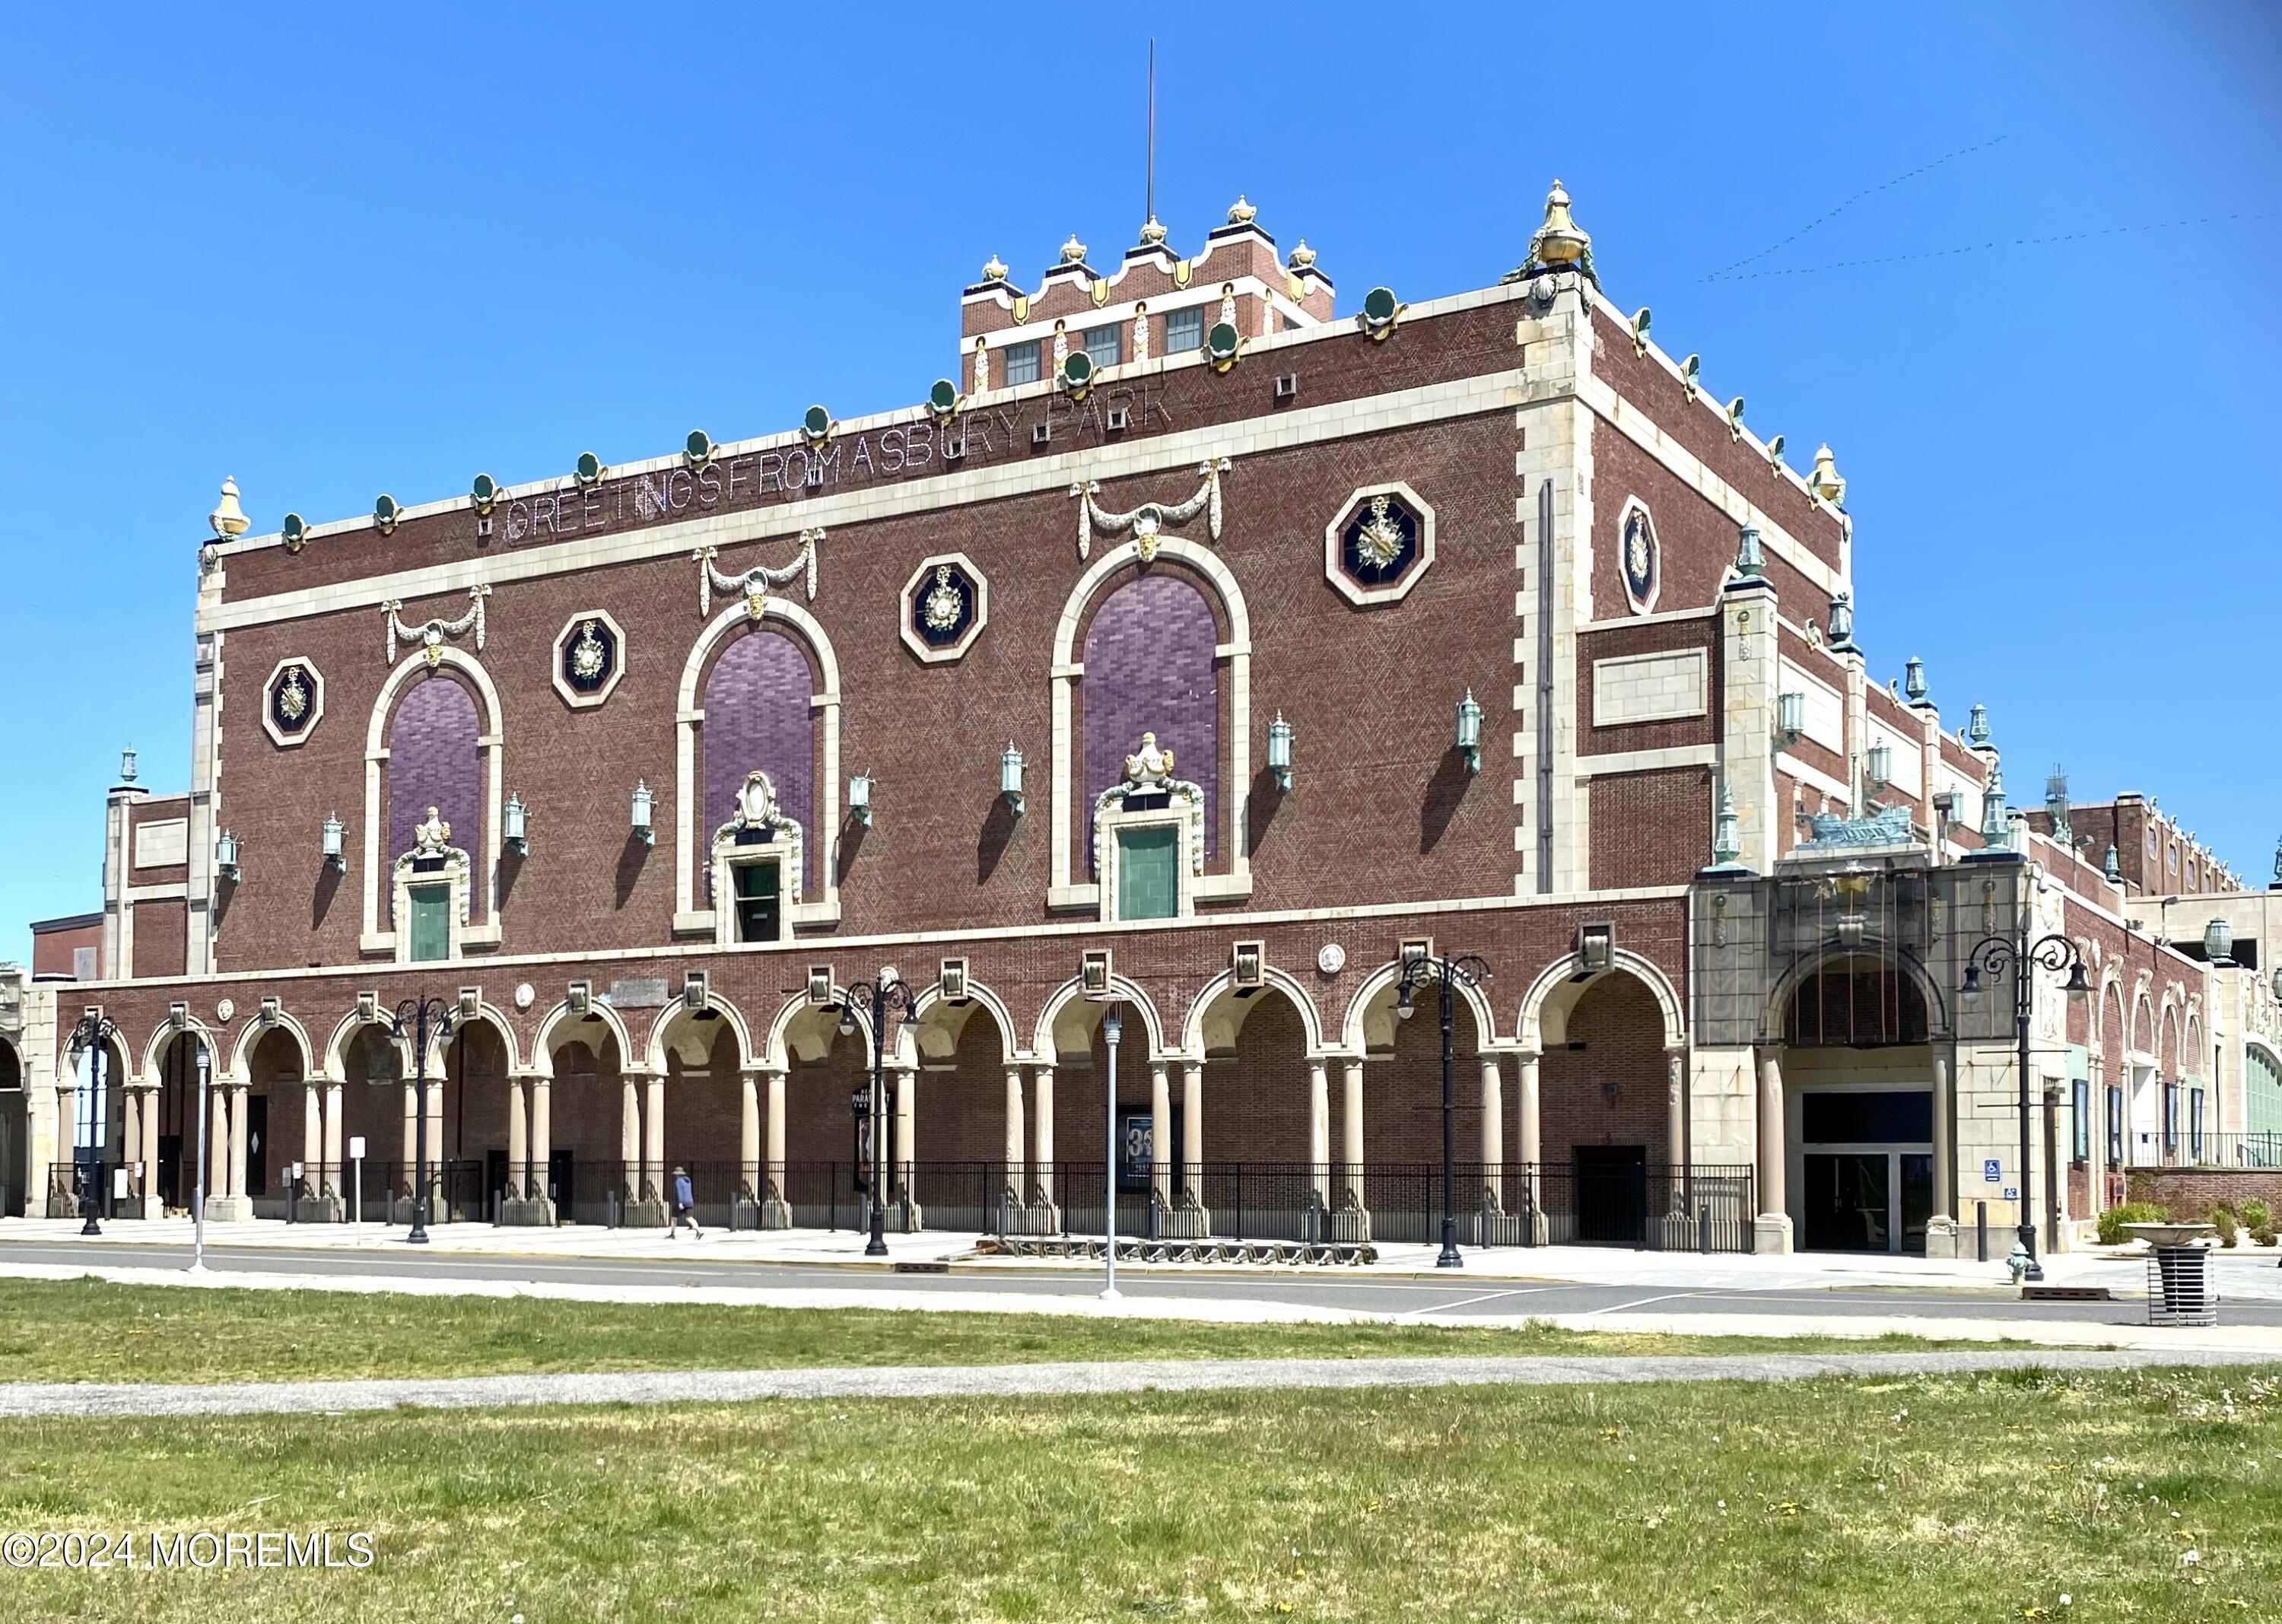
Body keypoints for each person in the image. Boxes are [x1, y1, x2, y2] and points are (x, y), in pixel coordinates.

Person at [668, 1165, 702, 1240]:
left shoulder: (679, 1181)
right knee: (689, 1218)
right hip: (689, 1201)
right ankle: (699, 1231)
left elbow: (680, 1192)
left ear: (677, 1174)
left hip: (680, 1202)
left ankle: (672, 1233)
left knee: (674, 1218)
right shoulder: (688, 1181)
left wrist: (680, 1202)